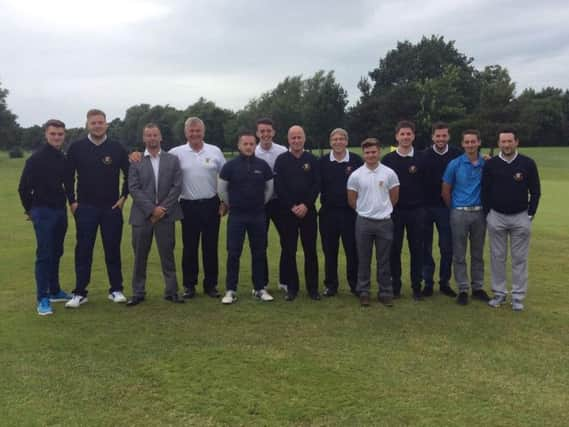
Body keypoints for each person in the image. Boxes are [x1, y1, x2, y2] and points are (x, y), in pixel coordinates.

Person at [64, 109, 129, 308]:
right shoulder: (76, 147)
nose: (97, 125)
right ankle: (80, 293)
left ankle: (116, 289)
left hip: (111, 208)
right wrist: (73, 201)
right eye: (93, 123)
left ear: (106, 124)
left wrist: (123, 197)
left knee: (112, 249)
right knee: (83, 250)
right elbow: (68, 177)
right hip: (85, 208)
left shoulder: (117, 147)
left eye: (101, 122)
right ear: (87, 125)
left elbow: (130, 175)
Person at [482, 128, 541, 311]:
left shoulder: (527, 163)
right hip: (497, 216)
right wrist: (488, 214)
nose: (506, 145)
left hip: (520, 217)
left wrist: (530, 214)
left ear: (516, 142)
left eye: (510, 141)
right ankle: (499, 294)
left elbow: (536, 191)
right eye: (503, 142)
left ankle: (517, 297)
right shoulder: (491, 164)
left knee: (519, 259)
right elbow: (485, 191)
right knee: (497, 257)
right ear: (499, 144)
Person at [126, 124, 184, 306]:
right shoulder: (136, 161)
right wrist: (152, 209)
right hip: (142, 216)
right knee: (139, 256)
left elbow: (177, 187)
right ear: (144, 138)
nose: (152, 138)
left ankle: (172, 291)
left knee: (167, 254)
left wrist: (162, 209)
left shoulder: (172, 160)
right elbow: (133, 188)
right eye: (148, 135)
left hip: (166, 216)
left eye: (155, 135)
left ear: (161, 137)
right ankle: (138, 292)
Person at [18, 119, 72, 315]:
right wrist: (30, 210)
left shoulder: (63, 157)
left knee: (57, 251)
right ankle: (42, 298)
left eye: (60, 134)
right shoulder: (35, 159)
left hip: (60, 211)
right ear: (46, 135)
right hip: (43, 212)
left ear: (64, 135)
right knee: (44, 254)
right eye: (53, 134)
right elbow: (23, 188)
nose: (57, 137)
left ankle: (55, 290)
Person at [169, 117, 226, 299]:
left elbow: (225, 177)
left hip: (211, 204)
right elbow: (157, 162)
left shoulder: (214, 151)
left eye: (198, 131)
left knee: (210, 247)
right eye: (191, 131)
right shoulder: (176, 153)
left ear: (203, 132)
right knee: (189, 247)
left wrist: (225, 201)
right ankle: (189, 285)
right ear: (186, 133)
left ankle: (211, 285)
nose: (195, 134)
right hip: (188, 205)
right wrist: (139, 154)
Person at [218, 130, 275, 304]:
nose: (249, 147)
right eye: (245, 144)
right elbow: (222, 190)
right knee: (233, 253)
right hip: (237, 216)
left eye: (251, 144)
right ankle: (231, 290)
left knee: (259, 252)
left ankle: (259, 288)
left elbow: (269, 190)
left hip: (258, 215)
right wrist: (233, 204)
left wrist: (257, 204)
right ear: (239, 145)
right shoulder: (229, 166)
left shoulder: (263, 165)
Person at [347, 138, 399, 307]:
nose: (371, 155)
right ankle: (364, 291)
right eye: (367, 152)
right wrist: (365, 211)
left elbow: (394, 197)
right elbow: (352, 200)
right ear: (363, 154)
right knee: (363, 259)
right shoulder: (356, 175)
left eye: (374, 152)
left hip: (384, 222)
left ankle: (385, 292)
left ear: (379, 152)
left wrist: (382, 210)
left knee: (384, 260)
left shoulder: (389, 173)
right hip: (363, 222)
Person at [442, 129, 491, 306]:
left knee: (477, 253)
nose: (470, 145)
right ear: (462, 144)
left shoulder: (487, 163)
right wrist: (455, 207)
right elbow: (445, 190)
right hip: (459, 212)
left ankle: (477, 287)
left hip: (479, 213)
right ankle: (463, 289)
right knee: (459, 254)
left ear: (479, 142)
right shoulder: (455, 164)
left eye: (473, 142)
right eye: (467, 142)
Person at [274, 125, 321, 301]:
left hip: (308, 212)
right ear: (288, 140)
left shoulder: (312, 160)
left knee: (310, 251)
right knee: (289, 250)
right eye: (293, 138)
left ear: (304, 138)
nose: (296, 140)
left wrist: (306, 205)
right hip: (287, 213)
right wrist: (292, 206)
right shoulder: (281, 160)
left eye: (299, 137)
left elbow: (317, 184)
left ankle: (313, 288)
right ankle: (292, 288)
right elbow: (279, 186)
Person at [381, 121, 426, 300]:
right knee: (394, 250)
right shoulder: (388, 160)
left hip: (417, 212)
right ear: (397, 136)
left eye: (409, 134)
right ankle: (396, 286)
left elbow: (428, 184)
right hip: (395, 212)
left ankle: (417, 287)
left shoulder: (422, 158)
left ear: (413, 136)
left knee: (417, 250)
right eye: (402, 134)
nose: (406, 137)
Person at [319, 128, 363, 296]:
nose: (338, 142)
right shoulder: (323, 162)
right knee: (330, 250)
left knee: (352, 250)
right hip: (328, 213)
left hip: (350, 213)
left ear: (346, 141)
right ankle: (331, 285)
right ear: (331, 142)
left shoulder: (356, 160)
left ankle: (354, 284)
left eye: (341, 139)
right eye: (335, 139)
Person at [421, 122, 462, 297]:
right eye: (437, 136)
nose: (440, 139)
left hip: (446, 208)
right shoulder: (423, 155)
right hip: (425, 207)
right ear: (432, 137)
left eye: (444, 136)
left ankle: (444, 282)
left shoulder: (457, 155)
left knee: (447, 247)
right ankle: (428, 282)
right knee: (425, 247)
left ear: (449, 136)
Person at [254, 118, 288, 292]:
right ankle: (262, 282)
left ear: (274, 132)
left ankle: (285, 280)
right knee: (260, 243)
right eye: (262, 131)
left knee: (287, 241)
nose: (265, 134)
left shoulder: (282, 151)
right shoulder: (252, 152)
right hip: (260, 204)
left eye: (269, 130)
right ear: (257, 133)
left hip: (280, 203)